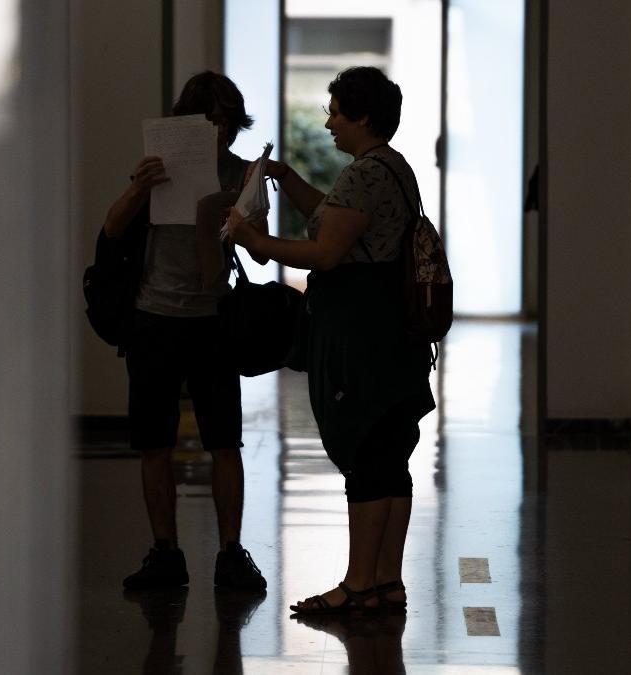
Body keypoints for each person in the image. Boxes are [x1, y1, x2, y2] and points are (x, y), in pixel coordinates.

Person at [227, 66, 435, 613]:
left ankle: (358, 585)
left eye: (337, 112)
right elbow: (333, 219)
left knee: (366, 452)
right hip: (396, 336)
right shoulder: (391, 167)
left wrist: (258, 241)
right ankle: (386, 582)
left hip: (363, 336)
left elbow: (327, 253)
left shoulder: (365, 174)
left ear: (362, 116)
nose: (329, 123)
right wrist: (285, 176)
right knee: (391, 455)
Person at [104, 71, 266, 592]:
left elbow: (260, 246)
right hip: (154, 317)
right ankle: (165, 552)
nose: (219, 133)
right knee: (155, 443)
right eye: (209, 122)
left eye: (226, 123)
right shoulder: (159, 170)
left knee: (225, 442)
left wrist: (247, 207)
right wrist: (139, 185)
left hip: (213, 318)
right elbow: (111, 230)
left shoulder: (241, 173)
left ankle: (230, 554)